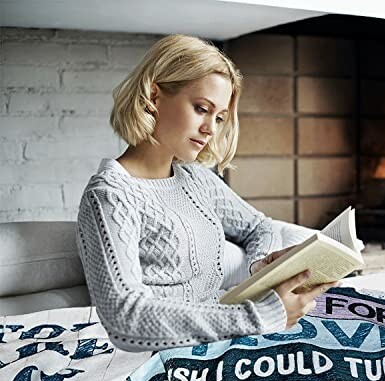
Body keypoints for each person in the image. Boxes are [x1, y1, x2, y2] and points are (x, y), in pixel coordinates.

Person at [76, 34, 337, 352]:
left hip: (228, 342)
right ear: (153, 96)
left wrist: (259, 267)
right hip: (171, 359)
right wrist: (261, 316)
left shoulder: (197, 180)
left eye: (220, 117)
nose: (211, 129)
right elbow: (125, 316)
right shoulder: (110, 197)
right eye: (202, 109)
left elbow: (259, 226)